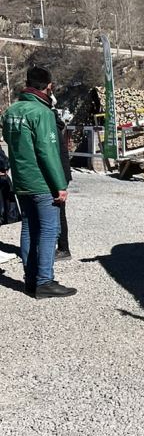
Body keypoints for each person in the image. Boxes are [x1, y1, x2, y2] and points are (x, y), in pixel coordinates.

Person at [1, 66, 76, 298]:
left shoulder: (10, 112)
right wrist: (60, 185)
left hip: (21, 180)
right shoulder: (42, 113)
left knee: (28, 227)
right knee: (48, 230)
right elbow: (47, 152)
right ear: (49, 86)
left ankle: (30, 277)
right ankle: (44, 281)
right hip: (42, 181)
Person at [51, 93, 73, 260]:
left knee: (58, 211)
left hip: (58, 171)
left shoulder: (50, 123)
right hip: (61, 171)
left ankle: (63, 248)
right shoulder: (56, 123)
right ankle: (61, 246)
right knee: (58, 211)